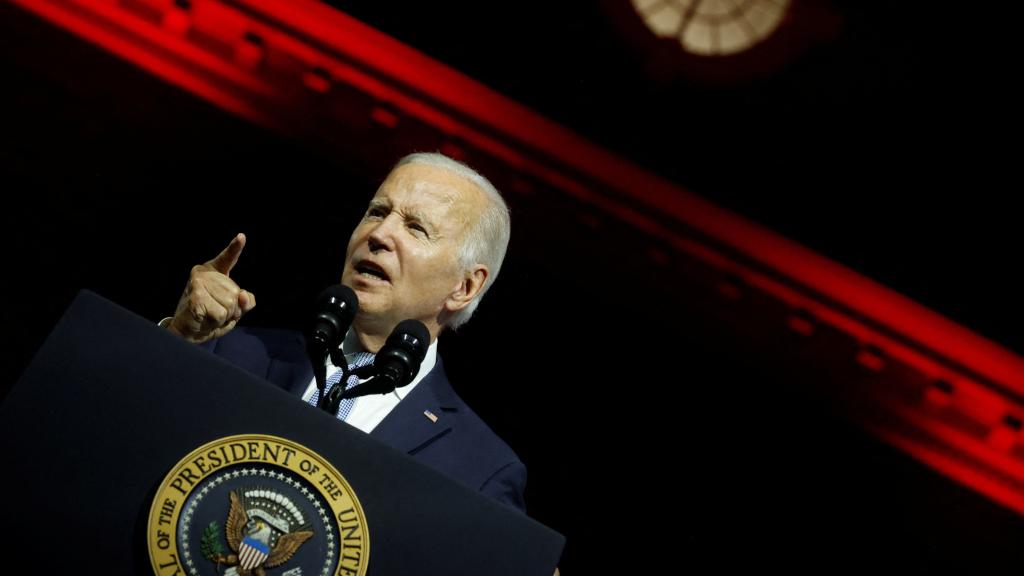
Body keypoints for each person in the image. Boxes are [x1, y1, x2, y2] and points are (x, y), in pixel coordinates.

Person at [163, 152, 525, 511]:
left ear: (465, 287)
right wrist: (178, 337)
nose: (379, 234)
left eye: (416, 227)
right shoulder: (230, 353)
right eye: (377, 212)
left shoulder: (479, 470)